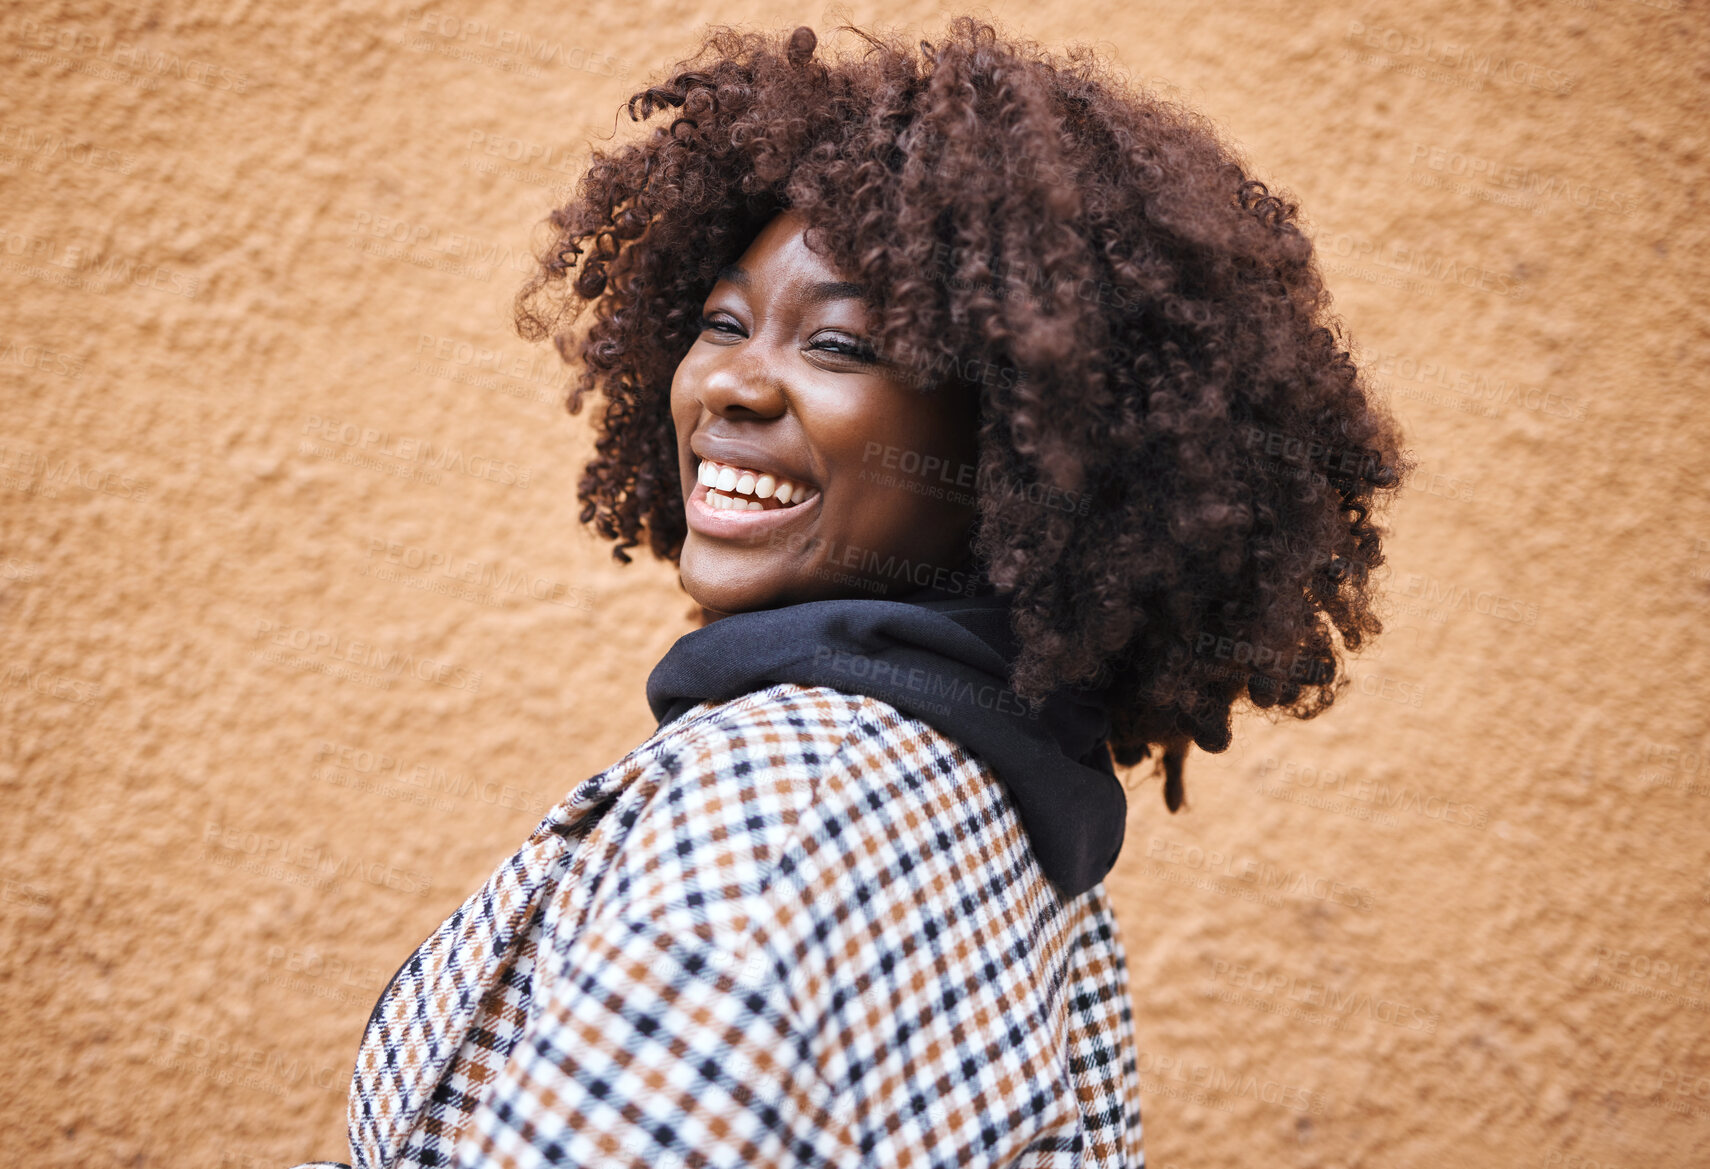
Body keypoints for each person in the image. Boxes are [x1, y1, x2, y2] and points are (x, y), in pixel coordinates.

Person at [293, 16, 1409, 1169]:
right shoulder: (1014, 798)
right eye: (721, 322)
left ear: (1020, 447)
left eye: (836, 346)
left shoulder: (780, 811)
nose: (731, 380)